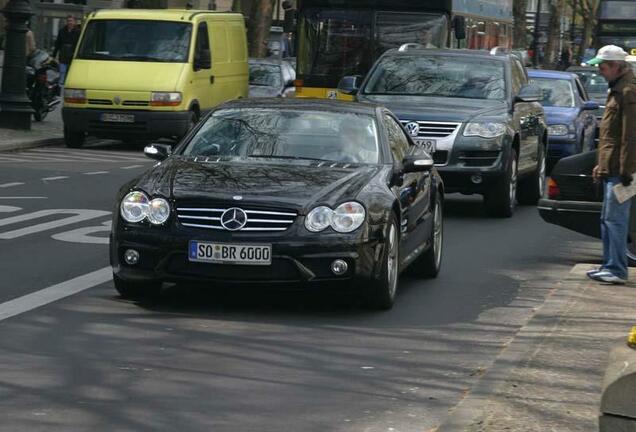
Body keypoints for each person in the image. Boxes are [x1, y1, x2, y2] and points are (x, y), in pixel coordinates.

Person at [586, 45, 636, 284]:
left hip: (621, 170)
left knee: (615, 220)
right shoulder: (618, 89)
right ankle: (609, 265)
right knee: (608, 219)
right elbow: (610, 136)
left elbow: (629, 136)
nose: (599, 71)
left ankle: (616, 269)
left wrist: (627, 171)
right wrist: (601, 165)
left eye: (602, 67)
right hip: (613, 167)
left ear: (616, 66)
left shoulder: (627, 91)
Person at [53, 15, 80, 86]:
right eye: (68, 21)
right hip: (63, 56)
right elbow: (57, 43)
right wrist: (54, 55)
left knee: (70, 74)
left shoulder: (78, 32)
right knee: (62, 73)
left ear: (74, 22)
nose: (69, 22)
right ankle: (60, 90)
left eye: (71, 21)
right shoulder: (61, 31)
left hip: (73, 56)